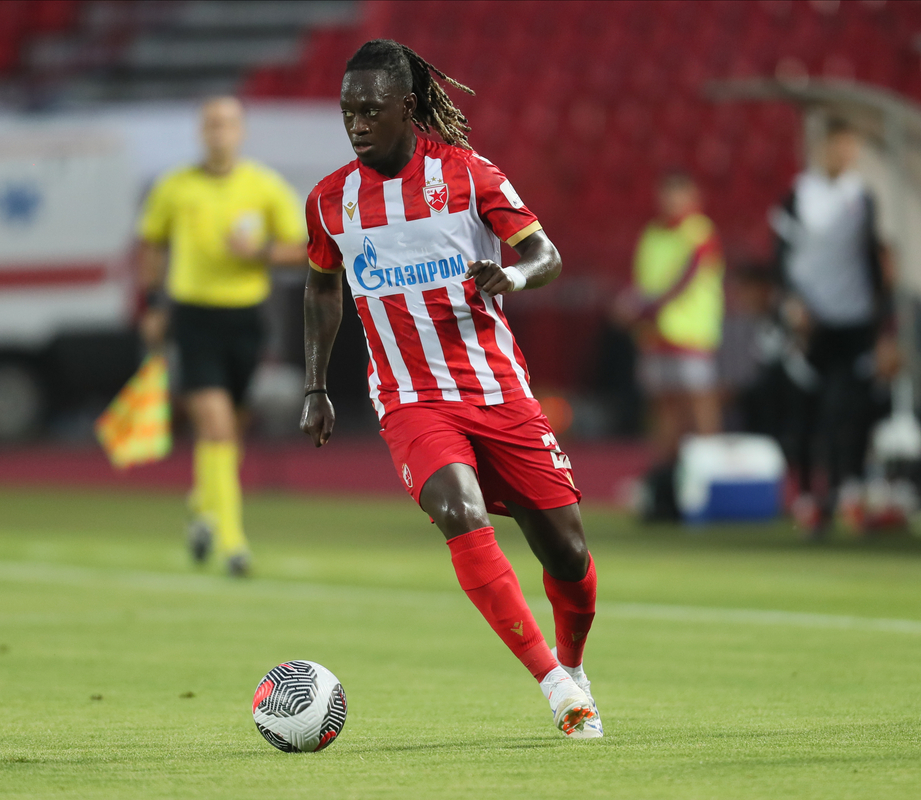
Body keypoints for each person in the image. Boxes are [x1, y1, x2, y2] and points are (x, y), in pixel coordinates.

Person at [299, 39, 602, 739]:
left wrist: (517, 278)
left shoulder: (468, 175)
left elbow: (543, 254)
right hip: (410, 398)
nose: (357, 123)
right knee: (459, 510)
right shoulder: (329, 201)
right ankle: (557, 688)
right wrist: (317, 383)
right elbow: (320, 288)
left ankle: (574, 662)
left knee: (569, 554)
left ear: (407, 106)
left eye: (372, 109)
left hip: (497, 389)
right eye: (348, 110)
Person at [139, 97, 307, 576]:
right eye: (212, 123)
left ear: (242, 131)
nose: (220, 132)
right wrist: (152, 305)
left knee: (230, 429)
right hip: (192, 317)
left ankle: (202, 506)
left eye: (228, 123)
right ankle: (234, 545)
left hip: (246, 319)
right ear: (201, 131)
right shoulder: (174, 187)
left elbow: (301, 249)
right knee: (213, 425)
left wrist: (259, 254)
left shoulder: (264, 186)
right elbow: (152, 245)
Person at [769, 116, 899, 536]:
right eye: (839, 145)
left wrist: (885, 327)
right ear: (821, 147)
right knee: (806, 411)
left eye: (851, 146)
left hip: (854, 319)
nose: (846, 154)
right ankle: (809, 499)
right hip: (811, 322)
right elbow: (781, 256)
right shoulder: (798, 195)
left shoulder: (861, 195)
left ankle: (849, 494)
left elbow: (874, 261)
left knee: (850, 411)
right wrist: (792, 303)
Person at [615, 171, 725, 519]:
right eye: (667, 194)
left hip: (691, 335)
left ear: (693, 197)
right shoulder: (652, 234)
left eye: (679, 194)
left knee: (698, 408)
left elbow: (684, 281)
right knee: (664, 412)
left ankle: (712, 482)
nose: (672, 202)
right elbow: (644, 280)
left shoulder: (699, 231)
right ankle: (668, 486)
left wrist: (641, 308)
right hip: (656, 336)